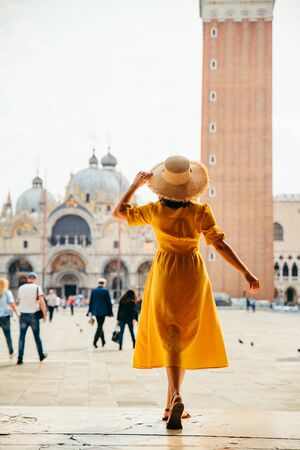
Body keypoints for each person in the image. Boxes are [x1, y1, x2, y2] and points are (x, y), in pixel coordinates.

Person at [112, 155, 260, 430]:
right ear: (190, 185)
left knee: (170, 338)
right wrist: (246, 271)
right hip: (192, 274)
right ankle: (170, 405)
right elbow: (220, 246)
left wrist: (134, 186)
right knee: (181, 337)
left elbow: (119, 212)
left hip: (164, 273)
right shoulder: (201, 211)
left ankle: (175, 397)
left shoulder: (155, 211)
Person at [16, 272, 47, 365]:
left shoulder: (21, 288)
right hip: (33, 315)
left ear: (27, 279)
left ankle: (20, 358)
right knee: (37, 337)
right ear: (35, 279)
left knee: (22, 337)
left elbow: (18, 301)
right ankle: (41, 355)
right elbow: (41, 302)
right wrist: (45, 315)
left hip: (23, 315)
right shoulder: (37, 287)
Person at [88, 278, 113, 348]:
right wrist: (110, 312)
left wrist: (89, 311)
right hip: (103, 312)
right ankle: (94, 341)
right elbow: (109, 303)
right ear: (104, 284)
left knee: (100, 325)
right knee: (100, 326)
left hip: (95, 311)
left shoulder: (93, 290)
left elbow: (91, 301)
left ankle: (103, 341)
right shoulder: (105, 291)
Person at [0, 278, 19, 358]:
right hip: (4, 317)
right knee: (8, 336)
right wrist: (17, 313)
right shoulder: (7, 292)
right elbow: (12, 304)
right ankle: (11, 352)